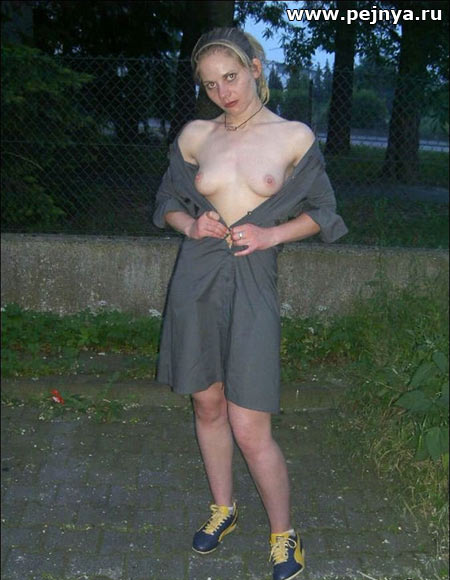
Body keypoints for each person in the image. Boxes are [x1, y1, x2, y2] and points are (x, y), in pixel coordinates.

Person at [153, 27, 348, 580]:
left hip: (254, 281)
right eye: (211, 84)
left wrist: (271, 234)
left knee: (249, 422)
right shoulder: (196, 136)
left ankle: (284, 534)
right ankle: (224, 509)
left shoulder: (292, 137)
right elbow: (167, 200)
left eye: (232, 77)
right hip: (196, 279)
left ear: (256, 68)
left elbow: (324, 212)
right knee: (207, 405)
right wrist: (190, 224)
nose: (224, 92)